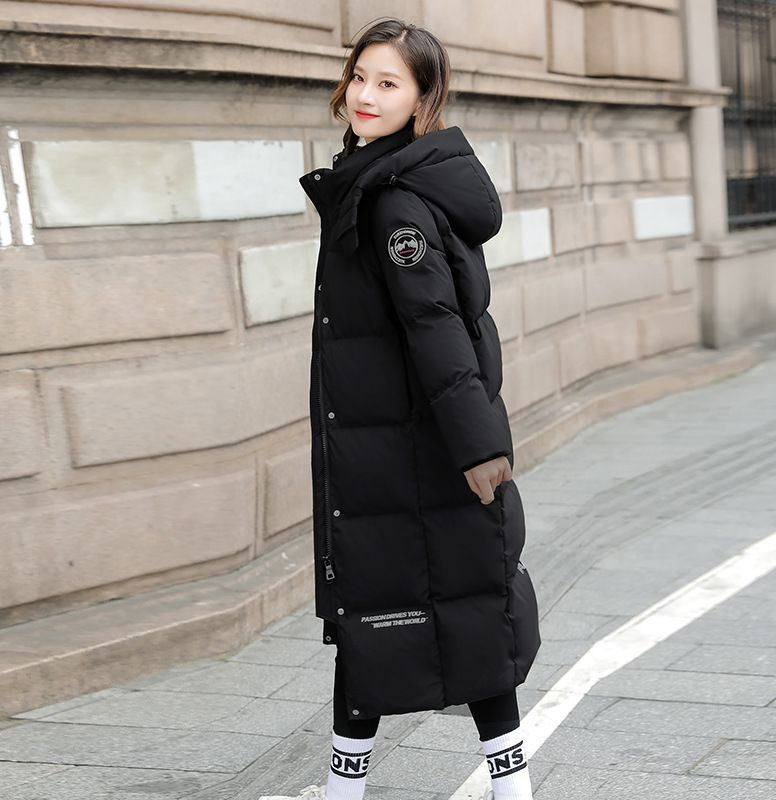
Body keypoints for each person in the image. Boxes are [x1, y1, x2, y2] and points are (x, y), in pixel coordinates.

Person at [268, 16, 542, 800]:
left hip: (414, 452)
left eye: (388, 83)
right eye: (360, 76)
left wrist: (479, 448)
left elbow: (437, 327)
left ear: (423, 99)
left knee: (436, 611)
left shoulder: (393, 204)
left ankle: (479, 786)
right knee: (423, 613)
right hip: (389, 447)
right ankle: (380, 785)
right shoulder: (375, 180)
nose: (365, 94)